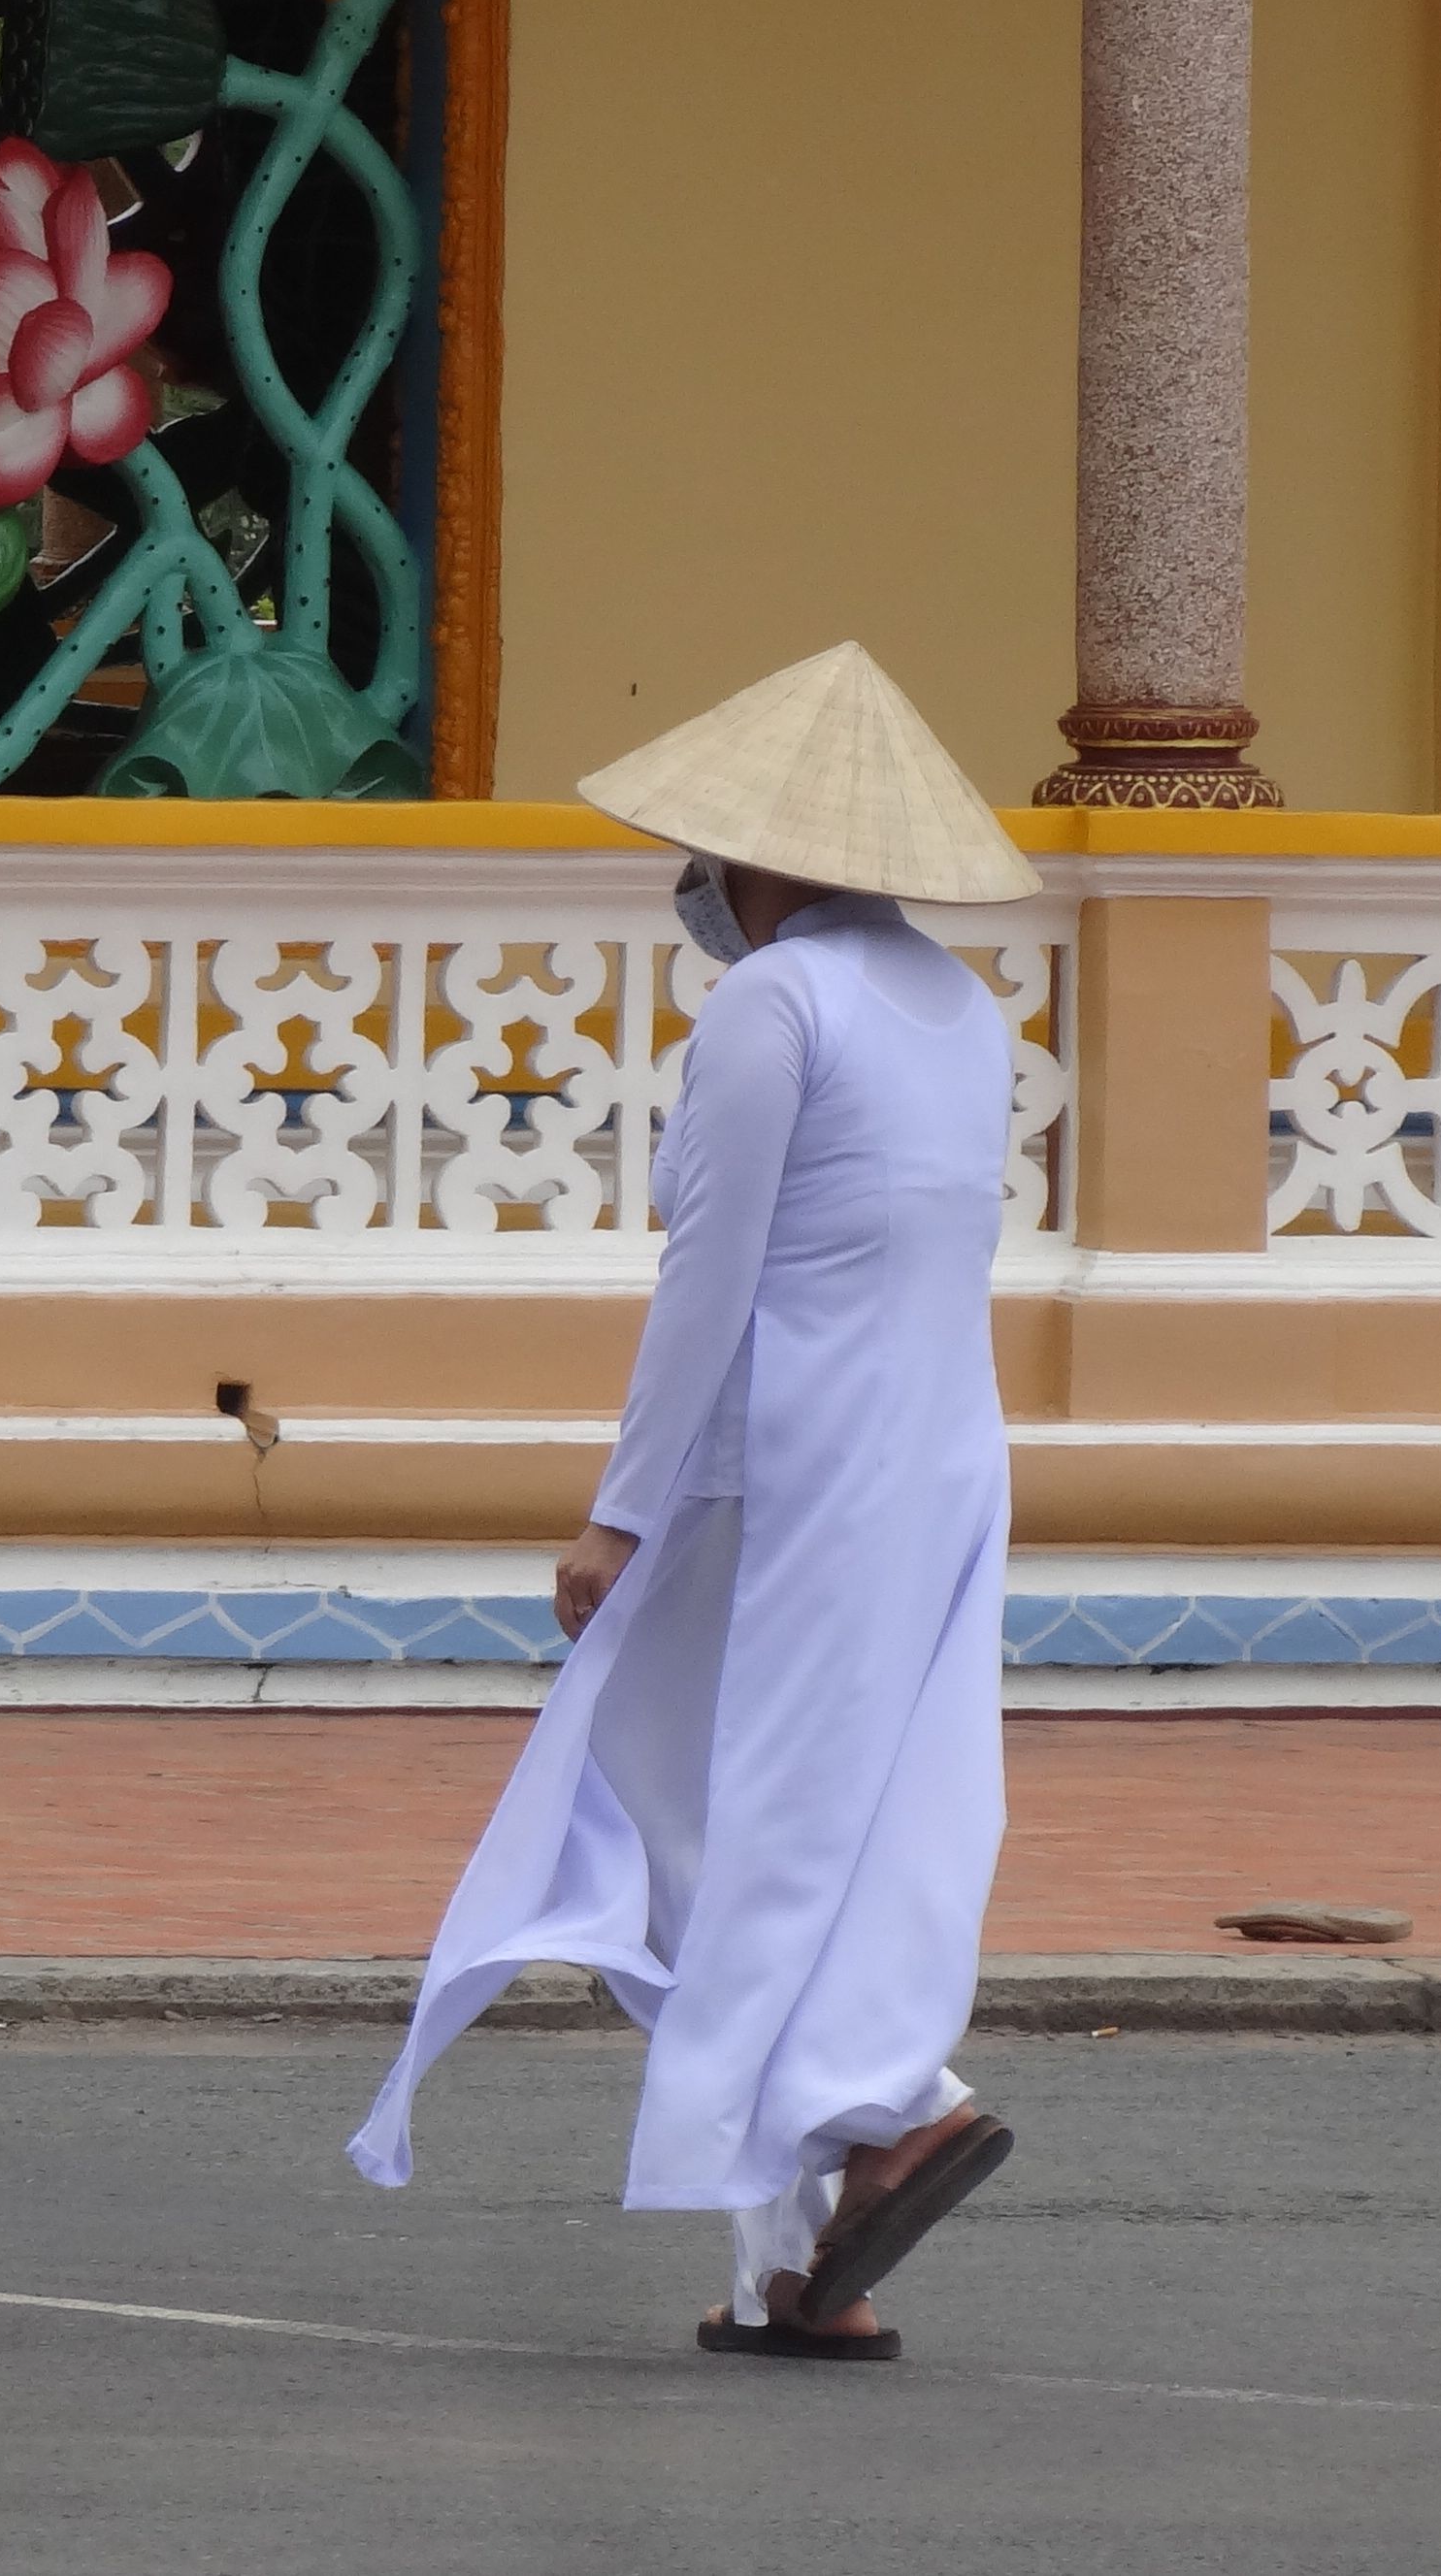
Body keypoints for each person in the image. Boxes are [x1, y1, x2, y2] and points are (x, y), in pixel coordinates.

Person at [346, 641, 1038, 2360]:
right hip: (939, 1451)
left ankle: (895, 2104)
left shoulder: (773, 1003)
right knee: (828, 1824)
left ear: (770, 856)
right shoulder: (962, 1007)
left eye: (715, 856)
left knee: (687, 1827)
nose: (696, 890)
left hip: (782, 1467)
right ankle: (801, 2263)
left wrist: (622, 1514)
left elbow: (708, 1279)